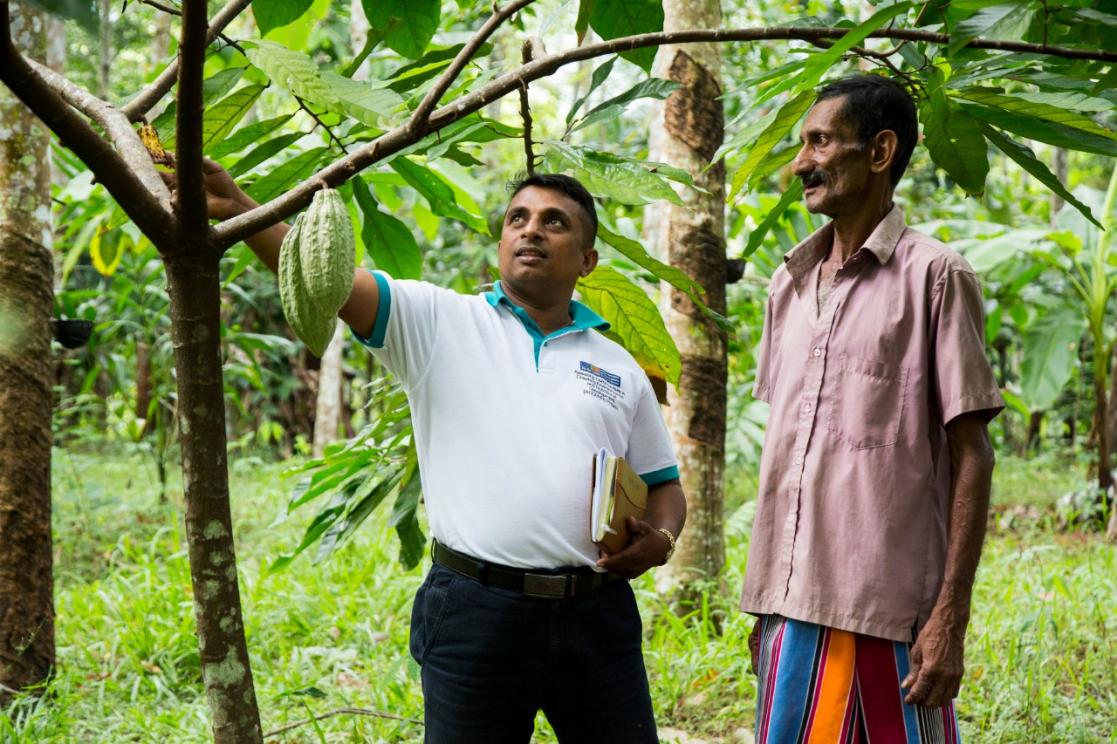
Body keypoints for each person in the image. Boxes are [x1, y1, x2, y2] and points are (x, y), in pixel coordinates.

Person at [171, 162, 686, 743]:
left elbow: (665, 485)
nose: (531, 230)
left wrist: (661, 541)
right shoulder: (439, 320)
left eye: (554, 222)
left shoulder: (619, 365)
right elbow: (323, 276)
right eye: (518, 218)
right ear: (500, 244)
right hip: (476, 609)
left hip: (597, 614)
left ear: (587, 260)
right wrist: (241, 205)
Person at [741, 74, 1003, 742]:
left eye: (820, 142)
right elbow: (788, 457)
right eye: (802, 145)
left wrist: (949, 618)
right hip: (789, 614)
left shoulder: (936, 276)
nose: (801, 163)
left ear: (880, 151)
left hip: (887, 614)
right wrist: (763, 607)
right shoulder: (787, 285)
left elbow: (971, 454)